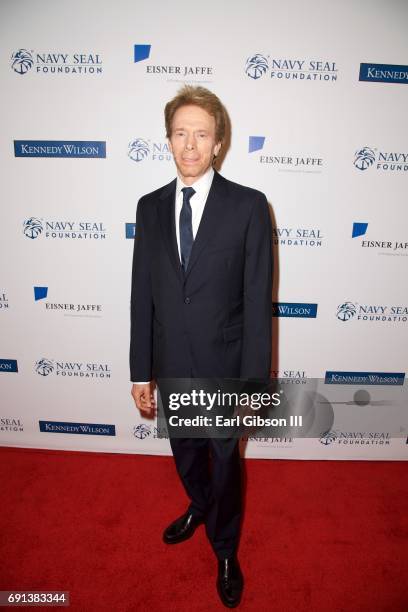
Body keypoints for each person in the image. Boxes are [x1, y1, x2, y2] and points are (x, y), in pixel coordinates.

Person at [130, 85, 272, 608]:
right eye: (180, 133)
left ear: (218, 144)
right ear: (168, 139)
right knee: (186, 454)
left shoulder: (250, 207)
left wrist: (253, 387)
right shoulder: (148, 208)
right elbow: (141, 294)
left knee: (225, 462)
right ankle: (197, 503)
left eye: (202, 134)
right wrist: (139, 371)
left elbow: (259, 303)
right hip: (170, 365)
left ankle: (226, 547)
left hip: (225, 368)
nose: (190, 145)